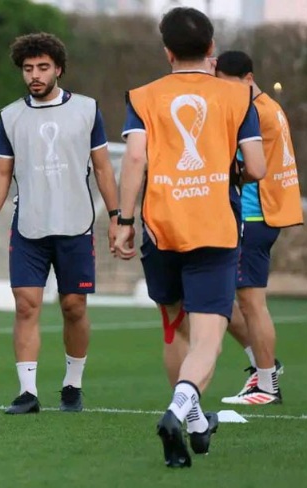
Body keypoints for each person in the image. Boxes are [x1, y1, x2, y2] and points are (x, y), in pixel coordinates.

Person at [113, 7, 266, 468]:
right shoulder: (237, 97)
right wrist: (229, 172)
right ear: (211, 48)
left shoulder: (143, 96)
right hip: (214, 228)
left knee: (174, 326)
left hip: (160, 227)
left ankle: (196, 423)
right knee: (207, 340)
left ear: (167, 52)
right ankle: (178, 412)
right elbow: (257, 167)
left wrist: (124, 220)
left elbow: (135, 159)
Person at [0, 32, 119, 415]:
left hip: (76, 225)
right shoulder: (11, 116)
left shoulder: (87, 110)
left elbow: (103, 168)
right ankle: (27, 393)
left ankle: (72, 386)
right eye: (28, 68)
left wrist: (117, 217)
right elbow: (2, 174)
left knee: (74, 307)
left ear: (58, 69)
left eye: (43, 67)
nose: (35, 75)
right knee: (26, 306)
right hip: (29, 227)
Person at [215, 50, 302, 405]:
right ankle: (263, 367)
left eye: (227, 85)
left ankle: (266, 383)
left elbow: (241, 165)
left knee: (250, 302)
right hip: (264, 215)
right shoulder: (269, 106)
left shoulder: (252, 112)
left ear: (248, 79)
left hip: (252, 215)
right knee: (225, 298)